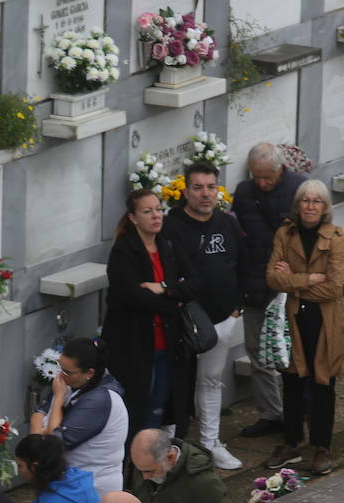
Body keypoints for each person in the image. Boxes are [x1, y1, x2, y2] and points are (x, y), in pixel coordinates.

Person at [264, 178, 344, 476]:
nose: (310, 206)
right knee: (292, 381)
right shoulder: (285, 234)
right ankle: (291, 442)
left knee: (322, 382)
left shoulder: (335, 237)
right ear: (297, 205)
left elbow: (334, 288)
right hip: (293, 318)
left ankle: (322, 446)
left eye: (317, 201)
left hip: (324, 320)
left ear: (325, 207)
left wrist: (293, 281)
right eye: (305, 200)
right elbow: (272, 279)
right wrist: (309, 279)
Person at [165, 160, 247, 469]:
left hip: (224, 318)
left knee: (211, 381)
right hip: (184, 321)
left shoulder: (227, 223)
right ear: (186, 191)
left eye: (211, 187)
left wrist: (237, 309)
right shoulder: (172, 226)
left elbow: (243, 264)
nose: (205, 194)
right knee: (178, 383)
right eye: (198, 187)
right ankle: (174, 446)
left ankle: (211, 443)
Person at [102, 189, 197, 436]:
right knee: (134, 407)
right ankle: (129, 467)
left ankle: (149, 462)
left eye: (158, 209)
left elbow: (196, 282)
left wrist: (164, 288)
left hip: (167, 342)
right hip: (135, 344)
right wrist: (173, 300)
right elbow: (131, 296)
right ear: (133, 218)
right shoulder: (124, 251)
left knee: (157, 406)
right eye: (147, 211)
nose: (156, 216)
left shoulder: (167, 243)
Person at [232, 141, 307, 440]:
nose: (261, 183)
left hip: (290, 288)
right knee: (257, 352)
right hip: (254, 286)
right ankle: (271, 412)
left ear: (280, 169)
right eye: (256, 177)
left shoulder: (301, 191)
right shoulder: (244, 192)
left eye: (267, 177)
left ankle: (299, 411)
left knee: (294, 352)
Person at [28, 337, 130, 495]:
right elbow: (39, 411)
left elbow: (55, 441)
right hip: (69, 481)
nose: (60, 376)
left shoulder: (99, 400)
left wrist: (59, 399)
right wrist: (36, 437)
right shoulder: (73, 381)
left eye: (67, 372)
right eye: (59, 367)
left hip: (92, 487)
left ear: (89, 373)